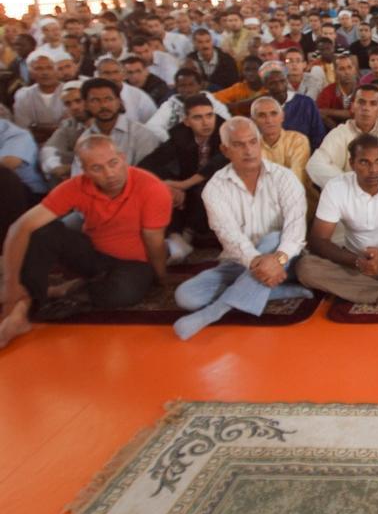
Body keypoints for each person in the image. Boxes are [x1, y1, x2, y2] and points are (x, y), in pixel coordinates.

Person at [1, 135, 170, 347]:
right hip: (93, 255)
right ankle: (22, 310)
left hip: (133, 262)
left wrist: (160, 276)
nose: (109, 174)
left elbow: (153, 240)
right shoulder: (76, 186)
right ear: (85, 170)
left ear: (123, 158)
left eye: (113, 163)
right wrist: (11, 284)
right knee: (42, 232)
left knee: (122, 293)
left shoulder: (152, 188)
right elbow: (20, 227)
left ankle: (71, 290)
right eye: (97, 168)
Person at [172, 117, 311, 340]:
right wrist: (257, 263)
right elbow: (229, 237)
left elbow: (295, 231)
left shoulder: (285, 178)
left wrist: (276, 259)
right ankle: (272, 291)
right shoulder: (215, 187)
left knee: (273, 238)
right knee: (186, 297)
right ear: (225, 150)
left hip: (285, 260)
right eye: (239, 145)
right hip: (238, 262)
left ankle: (214, 312)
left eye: (253, 142)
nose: (249, 150)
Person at [296, 134, 378, 303]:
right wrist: (358, 262)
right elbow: (318, 240)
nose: (373, 169)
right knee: (306, 268)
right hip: (353, 264)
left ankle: (363, 289)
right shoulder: (336, 187)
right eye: (364, 162)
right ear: (352, 164)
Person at [139, 95, 227, 264]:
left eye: (209, 115)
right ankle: (176, 237)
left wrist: (183, 184)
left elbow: (217, 164)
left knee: (208, 187)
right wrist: (169, 186)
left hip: (221, 188)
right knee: (162, 189)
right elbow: (148, 165)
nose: (206, 122)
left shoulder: (224, 131)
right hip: (189, 192)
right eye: (198, 117)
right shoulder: (180, 136)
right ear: (187, 121)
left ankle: (186, 234)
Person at [307, 84, 378, 188]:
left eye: (373, 104)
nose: (366, 108)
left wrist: (373, 178)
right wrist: (353, 182)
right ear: (353, 107)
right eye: (361, 102)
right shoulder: (341, 132)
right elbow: (314, 164)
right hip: (347, 194)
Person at [69, 78, 160, 174]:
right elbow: (79, 177)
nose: (104, 105)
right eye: (95, 100)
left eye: (109, 99)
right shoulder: (85, 139)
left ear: (119, 102)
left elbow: (146, 176)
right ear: (86, 105)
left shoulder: (142, 135)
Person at [145, 68, 231, 137]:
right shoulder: (170, 105)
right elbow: (152, 127)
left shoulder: (212, 102)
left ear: (200, 85)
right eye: (183, 86)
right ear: (177, 88)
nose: (187, 90)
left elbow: (227, 121)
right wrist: (172, 139)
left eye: (191, 85)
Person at [261, 62, 326, 151]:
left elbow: (319, 136)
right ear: (265, 86)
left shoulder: (306, 103)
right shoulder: (261, 107)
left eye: (282, 81)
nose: (279, 87)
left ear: (287, 81)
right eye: (273, 83)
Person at [37, 80, 89, 186]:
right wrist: (56, 167)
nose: (74, 107)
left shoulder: (106, 123)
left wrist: (74, 167)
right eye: (68, 104)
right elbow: (49, 149)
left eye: (78, 101)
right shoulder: (69, 124)